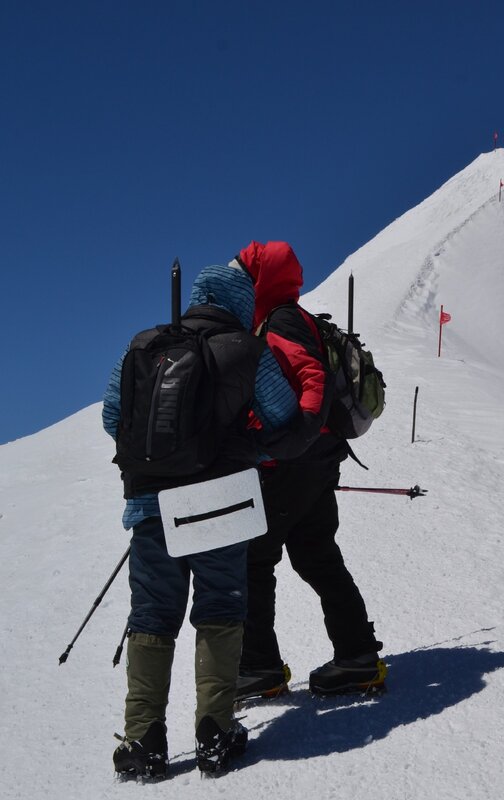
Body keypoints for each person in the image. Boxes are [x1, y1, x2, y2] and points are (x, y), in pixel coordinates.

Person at [104, 260, 300, 779]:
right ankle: (214, 730)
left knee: (151, 616)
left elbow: (110, 416)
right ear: (240, 304)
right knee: (219, 608)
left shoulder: (143, 344)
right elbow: (282, 414)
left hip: (150, 509)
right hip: (219, 504)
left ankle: (142, 738)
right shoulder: (246, 349)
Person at [235, 241, 386, 702]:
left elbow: (309, 382)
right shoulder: (295, 319)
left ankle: (259, 666)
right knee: (317, 555)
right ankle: (357, 654)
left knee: (254, 560)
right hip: (316, 462)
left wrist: (286, 443)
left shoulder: (279, 321)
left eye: (246, 273)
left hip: (292, 464)